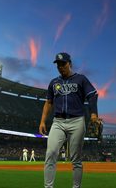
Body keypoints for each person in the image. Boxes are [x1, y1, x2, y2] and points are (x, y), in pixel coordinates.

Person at [39, 52, 98, 188]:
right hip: (58, 122)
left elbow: (92, 95)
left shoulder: (81, 79)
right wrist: (42, 121)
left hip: (77, 121)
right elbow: (48, 102)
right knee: (51, 153)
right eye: (58, 64)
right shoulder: (54, 82)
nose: (60, 67)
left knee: (76, 159)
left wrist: (94, 114)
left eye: (63, 64)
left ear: (69, 64)